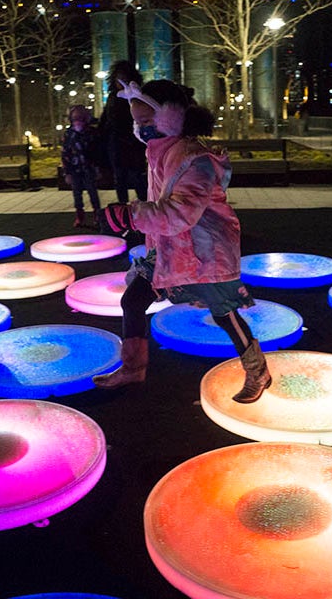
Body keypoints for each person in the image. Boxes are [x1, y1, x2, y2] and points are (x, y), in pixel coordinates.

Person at [93, 79, 272, 404]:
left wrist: (128, 215)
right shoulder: (160, 152)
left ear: (171, 118)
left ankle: (258, 371)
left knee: (224, 314)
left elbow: (180, 213)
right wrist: (135, 221)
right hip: (169, 250)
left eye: (148, 121)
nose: (142, 128)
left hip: (205, 253)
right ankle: (133, 367)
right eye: (138, 122)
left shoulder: (195, 159)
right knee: (133, 300)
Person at [99, 60, 147, 204]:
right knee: (120, 178)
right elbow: (106, 117)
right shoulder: (114, 97)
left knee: (137, 176)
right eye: (118, 79)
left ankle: (145, 206)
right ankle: (123, 208)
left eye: (124, 78)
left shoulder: (136, 95)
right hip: (116, 143)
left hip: (133, 142)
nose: (120, 82)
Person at [61, 105, 103, 228]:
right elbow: (65, 153)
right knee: (77, 194)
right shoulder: (69, 134)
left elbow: (96, 152)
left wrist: (98, 168)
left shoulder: (90, 133)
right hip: (75, 169)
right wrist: (66, 172)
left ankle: (97, 215)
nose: (77, 121)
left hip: (88, 167)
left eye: (80, 118)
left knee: (93, 193)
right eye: (75, 118)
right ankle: (80, 216)